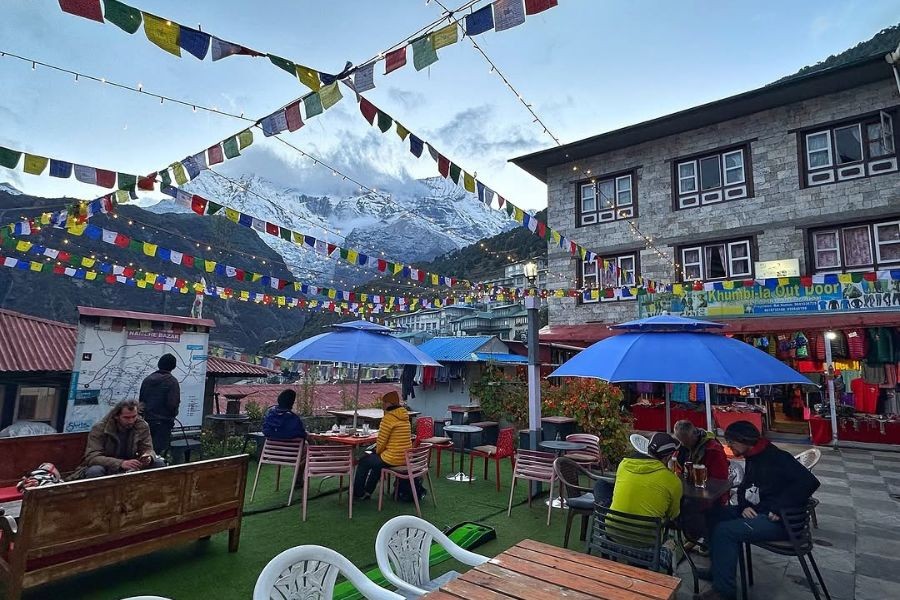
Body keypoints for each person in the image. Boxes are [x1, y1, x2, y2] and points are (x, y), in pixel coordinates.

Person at [701, 421, 820, 600]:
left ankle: (723, 592)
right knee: (714, 514)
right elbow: (744, 488)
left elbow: (809, 482)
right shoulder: (752, 456)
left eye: (731, 441)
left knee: (725, 532)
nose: (729, 445)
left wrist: (779, 507)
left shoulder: (776, 457)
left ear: (744, 440)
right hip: (758, 512)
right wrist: (744, 506)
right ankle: (718, 570)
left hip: (781, 522)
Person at [71, 400, 165, 479]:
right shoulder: (100, 428)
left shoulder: (141, 425)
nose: (131, 421)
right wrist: (120, 463)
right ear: (116, 416)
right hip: (108, 465)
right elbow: (92, 457)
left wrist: (148, 456)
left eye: (134, 416)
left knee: (158, 463)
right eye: (126, 418)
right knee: (95, 471)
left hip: (131, 462)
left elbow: (148, 448)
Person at [606, 432, 683, 521]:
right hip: (647, 534)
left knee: (601, 485)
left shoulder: (623, 465)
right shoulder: (673, 481)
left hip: (612, 529)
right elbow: (673, 514)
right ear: (668, 457)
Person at [353, 390, 411, 500]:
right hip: (404, 457)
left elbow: (381, 442)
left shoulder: (388, 418)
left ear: (390, 403)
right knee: (376, 463)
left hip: (392, 458)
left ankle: (358, 493)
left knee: (364, 461)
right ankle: (368, 491)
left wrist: (377, 451)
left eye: (384, 402)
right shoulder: (404, 417)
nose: (382, 404)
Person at [672, 420, 730, 499]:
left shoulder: (713, 450)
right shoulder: (681, 448)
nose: (684, 445)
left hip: (711, 497)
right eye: (682, 442)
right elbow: (678, 471)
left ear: (695, 434)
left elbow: (720, 482)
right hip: (690, 493)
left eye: (687, 442)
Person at [139, 353, 181, 457]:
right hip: (163, 422)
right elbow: (173, 403)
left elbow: (141, 401)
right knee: (158, 453)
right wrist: (173, 414)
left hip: (147, 421)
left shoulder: (147, 380)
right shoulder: (172, 381)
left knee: (145, 450)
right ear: (173, 366)